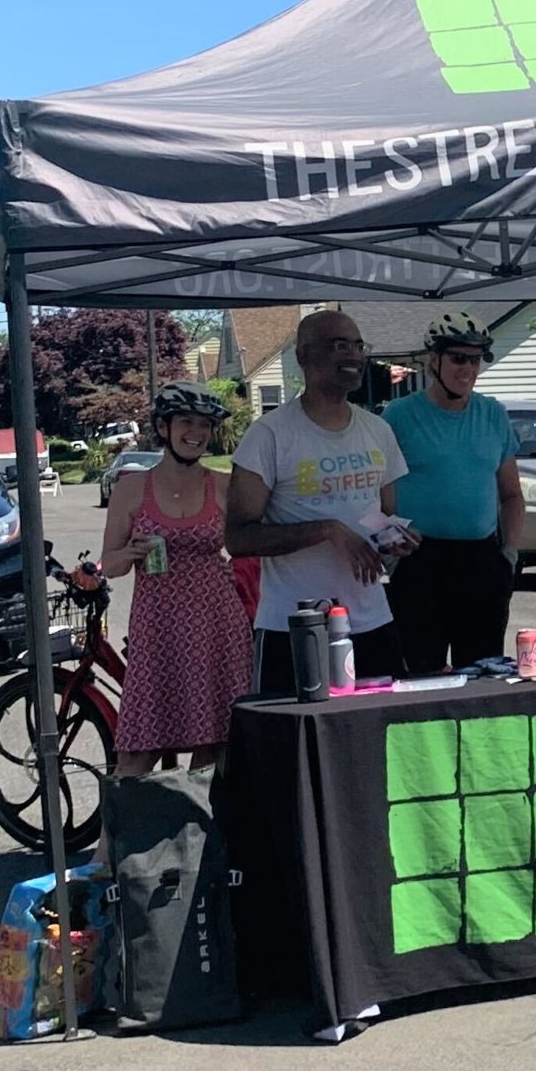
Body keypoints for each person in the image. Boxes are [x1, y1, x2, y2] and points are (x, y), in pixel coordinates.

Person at [225, 308, 412, 688]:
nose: (355, 356)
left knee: (382, 741)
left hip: (370, 621)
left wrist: (395, 539)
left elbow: (383, 515)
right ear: (304, 356)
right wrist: (327, 530)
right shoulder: (270, 435)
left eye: (359, 346)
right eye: (340, 345)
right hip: (293, 627)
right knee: (289, 746)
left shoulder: (378, 430)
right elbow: (239, 538)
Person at [88, 383, 253, 774]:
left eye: (204, 424)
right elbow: (109, 564)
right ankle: (128, 834)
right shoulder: (132, 489)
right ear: (163, 427)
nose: (195, 432)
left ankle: (207, 832)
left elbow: (253, 540)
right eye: (185, 422)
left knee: (217, 743)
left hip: (218, 627)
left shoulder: (224, 486)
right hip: (158, 629)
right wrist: (130, 552)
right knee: (138, 747)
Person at [382, 310, 524, 671]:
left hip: (480, 561)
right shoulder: (398, 416)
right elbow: (376, 492)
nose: (468, 369)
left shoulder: (493, 414)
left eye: (475, 360)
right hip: (420, 562)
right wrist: (390, 545)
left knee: (481, 672)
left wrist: (509, 554)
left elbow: (511, 494)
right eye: (458, 358)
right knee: (420, 674)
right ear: (435, 361)